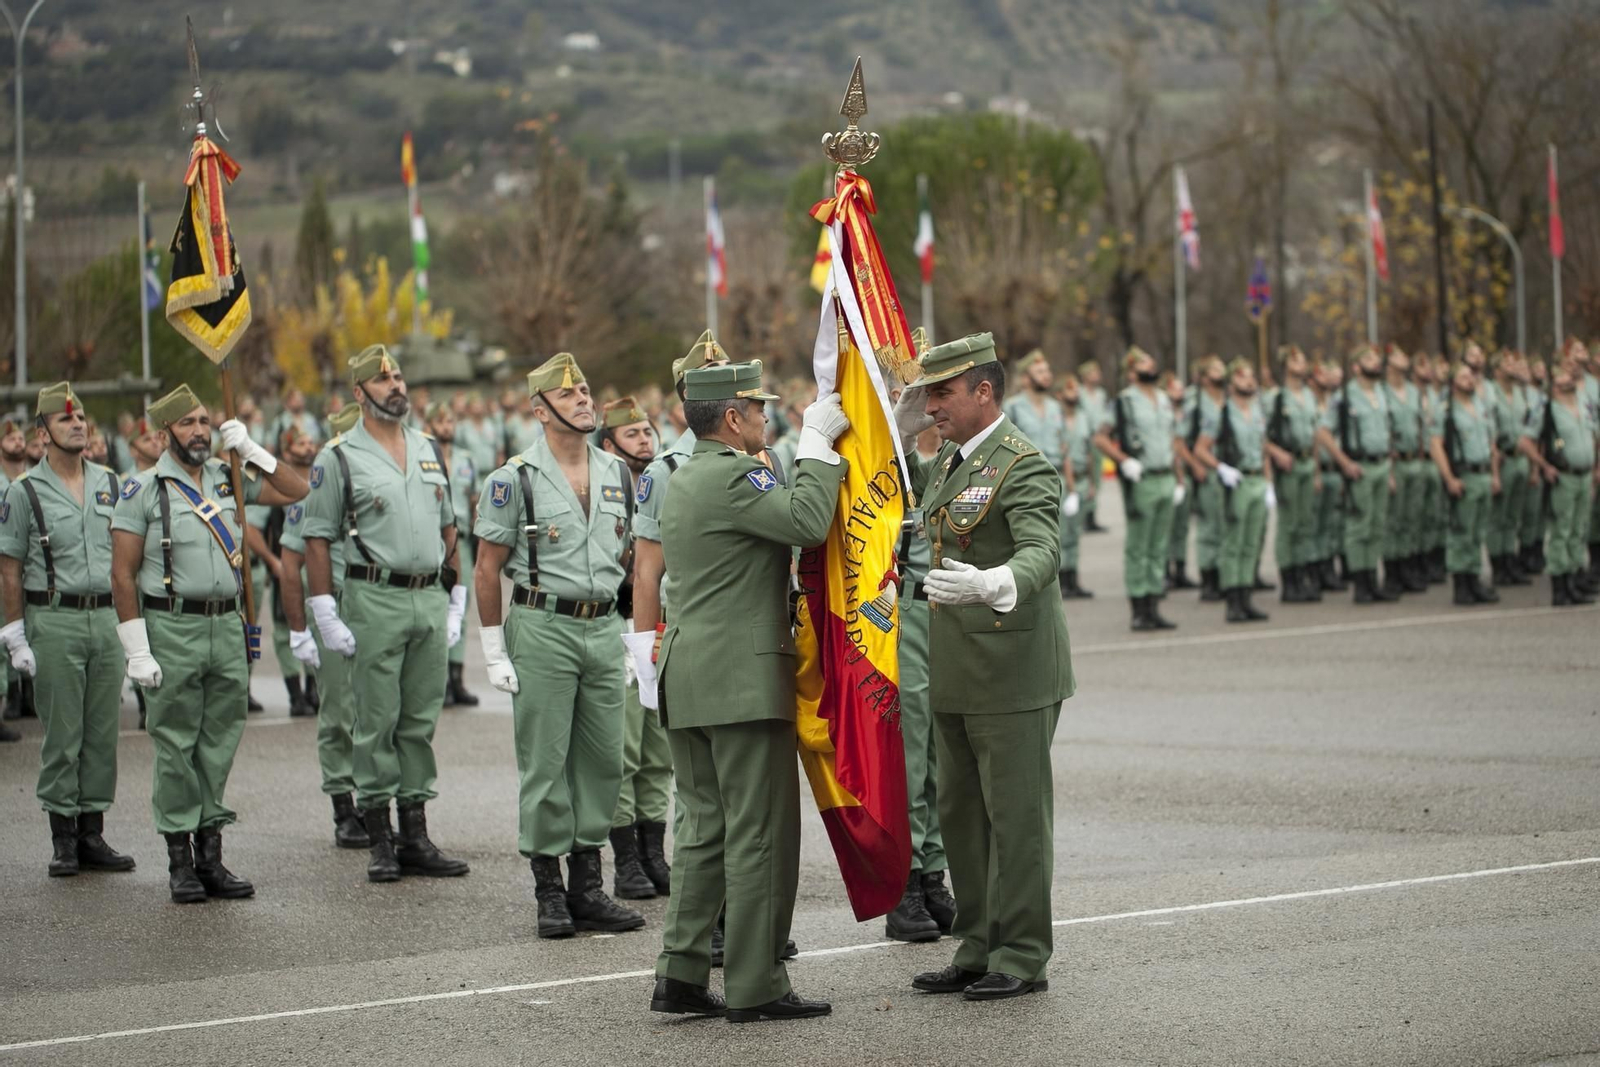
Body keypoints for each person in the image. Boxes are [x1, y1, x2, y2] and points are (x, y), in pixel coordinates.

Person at [648, 361, 848, 1023]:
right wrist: (819, 444)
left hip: (692, 672)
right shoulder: (739, 470)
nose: (767, 418)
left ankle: (680, 970)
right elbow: (808, 519)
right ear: (732, 419)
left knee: (705, 828)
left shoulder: (685, 474)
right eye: (758, 409)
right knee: (759, 830)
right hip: (739, 677)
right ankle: (757, 981)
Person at [891, 332, 1073, 1001]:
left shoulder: (1020, 462)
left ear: (984, 391)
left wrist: (999, 582)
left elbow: (1041, 548)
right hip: (956, 668)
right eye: (928, 393)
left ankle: (1021, 952)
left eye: (942, 392)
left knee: (1015, 819)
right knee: (963, 818)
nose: (932, 404)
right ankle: (977, 943)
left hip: (1012, 669)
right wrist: (900, 424)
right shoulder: (948, 463)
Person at [110, 383, 309, 902]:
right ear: (163, 434)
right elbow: (123, 575)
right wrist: (137, 648)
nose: (199, 431)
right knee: (176, 744)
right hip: (173, 627)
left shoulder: (229, 479)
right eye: (187, 424)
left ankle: (211, 855)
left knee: (219, 742)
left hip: (228, 625)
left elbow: (295, 490)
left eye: (203, 421)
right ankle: (180, 861)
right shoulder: (143, 490)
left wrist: (251, 450)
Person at [474, 353, 645, 939]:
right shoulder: (513, 478)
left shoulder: (617, 472)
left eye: (585, 389)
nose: (583, 400)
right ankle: (549, 888)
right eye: (568, 394)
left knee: (602, 761)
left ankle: (587, 886)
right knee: (545, 761)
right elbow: (486, 567)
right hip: (542, 623)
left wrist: (627, 631)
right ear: (539, 409)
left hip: (601, 627)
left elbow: (629, 563)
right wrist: (493, 647)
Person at [302, 345, 470, 884]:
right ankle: (379, 837)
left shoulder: (427, 448)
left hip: (427, 594)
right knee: (376, 719)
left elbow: (449, 524)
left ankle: (415, 834)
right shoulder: (338, 457)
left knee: (419, 720)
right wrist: (324, 609)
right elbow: (317, 538)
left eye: (398, 375)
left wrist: (456, 592)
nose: (395, 385)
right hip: (373, 595)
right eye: (381, 380)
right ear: (358, 393)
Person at [0, 383, 133, 873]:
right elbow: (8, 567)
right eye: (65, 420)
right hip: (53, 617)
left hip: (106, 618)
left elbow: (128, 557)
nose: (77, 425)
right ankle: (63, 837)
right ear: (43, 432)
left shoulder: (112, 483)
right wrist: (13, 631)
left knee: (102, 731)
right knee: (63, 733)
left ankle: (92, 833)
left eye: (81, 419)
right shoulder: (23, 491)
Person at [278, 403, 369, 848]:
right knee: (339, 714)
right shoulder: (316, 488)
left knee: (381, 711)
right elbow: (290, 565)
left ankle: (375, 801)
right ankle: (343, 804)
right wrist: (300, 629)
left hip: (378, 609)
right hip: (334, 611)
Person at [597, 395, 672, 902]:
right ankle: (625, 860)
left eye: (647, 431)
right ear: (609, 445)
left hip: (661, 624)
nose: (645, 440)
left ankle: (653, 852)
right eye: (633, 435)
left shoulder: (666, 482)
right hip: (620, 623)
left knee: (657, 749)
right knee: (623, 749)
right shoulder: (603, 491)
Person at [1092, 346, 1181, 631]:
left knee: (1159, 545)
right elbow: (1101, 439)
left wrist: (1179, 478)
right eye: (1143, 361)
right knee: (1139, 546)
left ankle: (1154, 604)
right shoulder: (1124, 402)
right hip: (1141, 479)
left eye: (1150, 359)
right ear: (1131, 371)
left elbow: (1173, 440)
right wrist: (1124, 460)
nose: (1151, 364)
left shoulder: (1165, 399)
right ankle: (1139, 608)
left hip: (1165, 476)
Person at [1195, 359, 1284, 622]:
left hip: (1257, 479)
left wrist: (1268, 483)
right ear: (1233, 382)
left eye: (1252, 377)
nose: (1250, 382)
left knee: (1251, 542)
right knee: (1234, 543)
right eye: (1244, 377)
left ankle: (1246, 596)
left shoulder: (1257, 410)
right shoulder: (1221, 413)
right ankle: (1233, 599)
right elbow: (1201, 448)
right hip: (1237, 481)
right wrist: (1220, 467)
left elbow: (1263, 447)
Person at [1317, 345, 1397, 604]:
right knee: (1358, 527)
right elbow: (1323, 433)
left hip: (1381, 465)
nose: (1375, 363)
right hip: (1359, 467)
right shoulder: (1345, 397)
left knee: (1376, 526)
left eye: (1375, 359)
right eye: (1368, 359)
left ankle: (1373, 579)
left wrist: (1391, 470)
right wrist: (1344, 462)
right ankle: (1360, 583)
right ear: (1355, 367)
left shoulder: (1382, 393)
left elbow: (1387, 432)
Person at [1522, 360, 1596, 606]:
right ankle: (1560, 586)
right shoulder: (1547, 409)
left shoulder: (1584, 405)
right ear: (1554, 383)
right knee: (1561, 531)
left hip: (1584, 475)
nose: (1570, 378)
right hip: (1563, 477)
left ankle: (1575, 580)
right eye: (1564, 375)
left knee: (1579, 529)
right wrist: (1544, 466)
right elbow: (1525, 441)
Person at [1001, 351, 1074, 595]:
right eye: (1040, 372)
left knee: (1061, 535)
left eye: (1048, 371)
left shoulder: (1055, 407)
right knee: (1034, 537)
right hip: (1026, 479)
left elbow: (1065, 449)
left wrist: (1072, 487)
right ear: (1025, 379)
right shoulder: (1012, 407)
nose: (1047, 376)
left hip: (1055, 477)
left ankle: (1061, 582)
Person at [424, 401, 480, 708]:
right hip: (432, 536)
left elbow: (473, 498)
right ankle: (439, 679)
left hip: (462, 539)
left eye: (450, 421)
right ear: (430, 425)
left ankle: (457, 679)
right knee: (437, 604)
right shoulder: (424, 456)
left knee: (461, 600)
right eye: (441, 421)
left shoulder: (466, 458)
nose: (447, 426)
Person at [1429, 362, 1500, 606]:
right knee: (1462, 532)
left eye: (1470, 376)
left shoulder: (1479, 405)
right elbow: (1436, 445)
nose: (1469, 379)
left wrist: (1494, 474)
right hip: (1464, 474)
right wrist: (1449, 478)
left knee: (1477, 533)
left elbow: (1490, 442)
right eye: (1463, 376)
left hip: (1482, 473)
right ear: (1452, 382)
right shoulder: (1446, 410)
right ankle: (1461, 584)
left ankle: (1473, 579)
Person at [1264, 346, 1321, 602]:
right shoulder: (1275, 398)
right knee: (1289, 525)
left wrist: (1318, 469)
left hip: (1307, 462)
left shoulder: (1309, 395)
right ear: (1286, 365)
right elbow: (1260, 434)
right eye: (1297, 360)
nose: (1303, 364)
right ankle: (1288, 581)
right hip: (1287, 465)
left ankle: (1301, 575)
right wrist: (1276, 453)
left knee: (1305, 522)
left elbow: (1316, 434)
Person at [1381, 346, 1430, 597]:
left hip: (1415, 461)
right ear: (1388, 363)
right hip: (1395, 462)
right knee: (1394, 519)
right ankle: (1392, 571)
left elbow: (1422, 425)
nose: (1405, 359)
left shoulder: (1413, 391)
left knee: (1412, 518)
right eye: (1399, 356)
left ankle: (1409, 567)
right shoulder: (1382, 392)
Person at [1486, 352, 1533, 588]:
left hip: (1521, 459)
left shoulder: (1520, 393)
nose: (1512, 367)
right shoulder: (1490, 392)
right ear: (1496, 371)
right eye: (1506, 363)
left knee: (1513, 516)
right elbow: (1490, 431)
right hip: (1502, 458)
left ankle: (1509, 558)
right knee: (1498, 516)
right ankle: (1498, 565)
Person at [1183, 357, 1228, 602]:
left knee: (1226, 525)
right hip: (1208, 472)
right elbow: (1179, 440)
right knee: (1209, 528)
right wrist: (1195, 465)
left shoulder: (1229, 400)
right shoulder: (1197, 404)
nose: (1222, 372)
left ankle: (1224, 574)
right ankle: (1209, 578)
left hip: (1229, 471)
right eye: (1215, 368)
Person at [1059, 373, 1095, 598]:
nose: (1075, 395)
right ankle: (1062, 579)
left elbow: (1089, 451)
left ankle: (1073, 578)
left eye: (1076, 391)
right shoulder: (1057, 418)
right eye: (1070, 391)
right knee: (1061, 533)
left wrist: (1091, 482)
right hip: (1063, 479)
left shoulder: (1083, 417)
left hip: (1081, 478)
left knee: (1074, 532)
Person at [1162, 371, 1197, 592]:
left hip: (1184, 474)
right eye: (1175, 388)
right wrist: (1191, 468)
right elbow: (1177, 447)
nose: (1180, 392)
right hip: (1171, 474)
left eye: (1181, 388)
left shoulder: (1184, 414)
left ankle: (1181, 570)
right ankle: (1164, 572)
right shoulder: (1163, 413)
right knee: (1166, 527)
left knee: (1182, 526)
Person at [1076, 359, 1108, 532]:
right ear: (1086, 376)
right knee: (1085, 476)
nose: (1098, 376)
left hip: (1098, 439)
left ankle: (1091, 515)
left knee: (1096, 478)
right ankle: (1083, 514)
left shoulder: (1101, 394)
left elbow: (1104, 415)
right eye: (1094, 373)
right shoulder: (1079, 393)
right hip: (1083, 439)